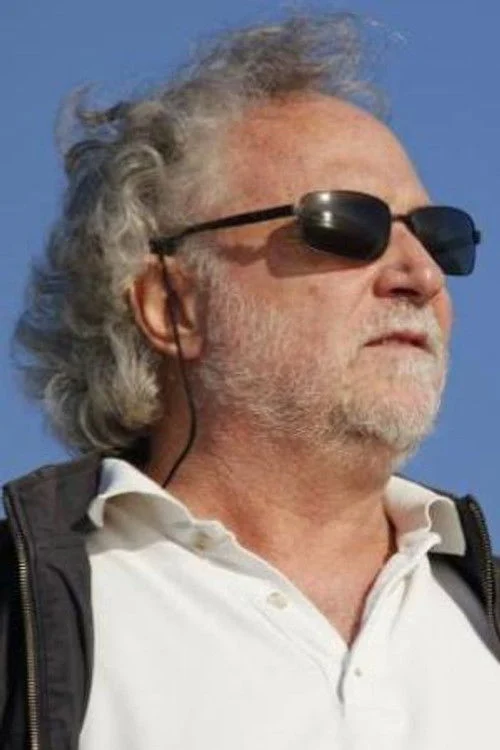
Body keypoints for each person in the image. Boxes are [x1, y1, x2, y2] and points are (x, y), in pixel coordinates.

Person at [1, 11, 499, 750]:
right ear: (172, 306)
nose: (421, 275)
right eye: (345, 225)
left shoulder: (481, 626)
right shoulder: (25, 624)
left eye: (440, 237)